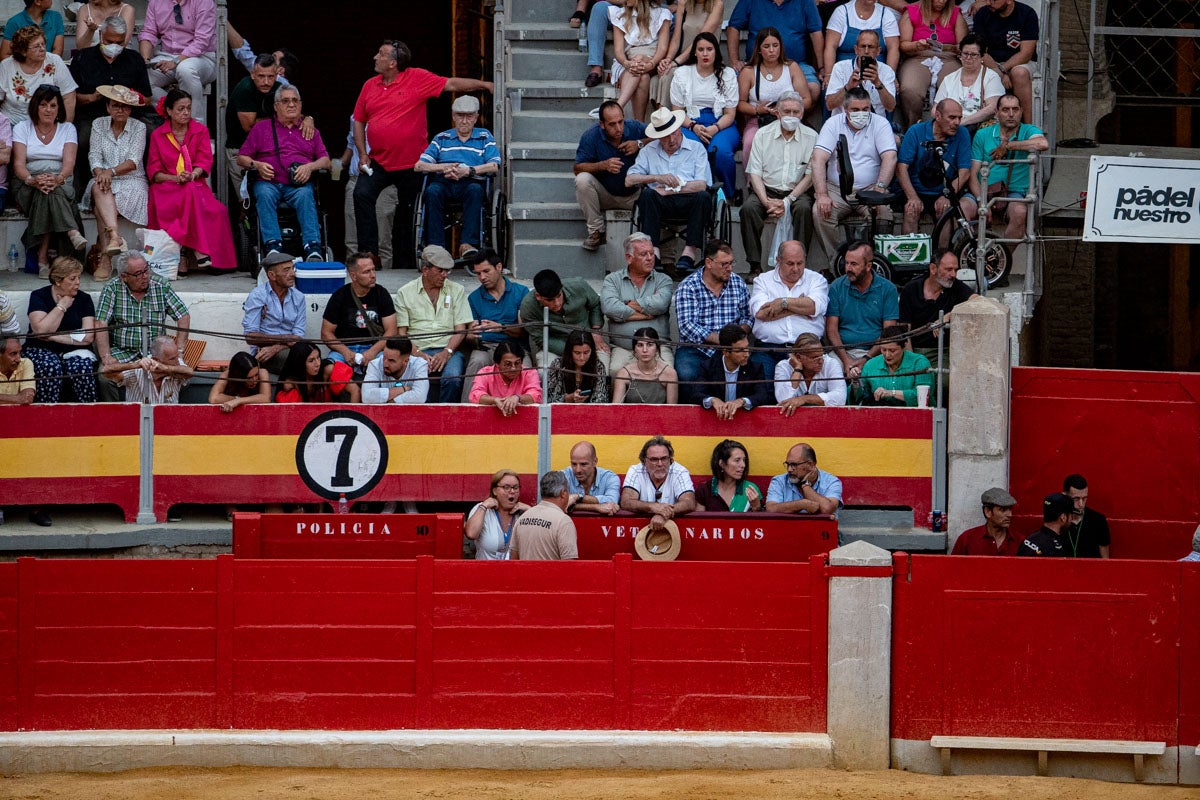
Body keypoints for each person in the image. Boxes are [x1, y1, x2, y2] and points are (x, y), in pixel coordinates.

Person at [351, 39, 493, 267]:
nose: (375, 57)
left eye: (381, 54)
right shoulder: (370, 85)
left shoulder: (416, 78)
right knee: (361, 194)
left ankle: (404, 264)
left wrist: (485, 85)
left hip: (412, 164)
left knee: (407, 214)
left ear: (393, 63)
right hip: (378, 160)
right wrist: (362, 153)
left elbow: (452, 84)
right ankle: (369, 253)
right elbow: (359, 121)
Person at [236, 84, 332, 262]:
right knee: (263, 193)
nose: (291, 105)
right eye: (286, 101)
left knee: (306, 194)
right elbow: (241, 158)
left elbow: (326, 161)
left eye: (295, 101)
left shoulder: (310, 130)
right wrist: (257, 164)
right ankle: (273, 247)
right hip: (269, 183)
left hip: (298, 185)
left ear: (301, 105)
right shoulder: (261, 128)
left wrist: (309, 167)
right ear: (276, 106)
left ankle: (313, 249)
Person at [146, 88, 236, 273]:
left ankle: (199, 258)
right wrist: (175, 178)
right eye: (180, 109)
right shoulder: (158, 135)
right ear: (169, 111)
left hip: (194, 183)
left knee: (219, 210)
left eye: (188, 108)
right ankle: (199, 252)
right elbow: (154, 171)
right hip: (166, 188)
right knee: (189, 191)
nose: (186, 112)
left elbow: (204, 160)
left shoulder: (200, 131)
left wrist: (192, 175)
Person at [810, 87, 897, 264]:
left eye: (865, 109)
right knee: (820, 212)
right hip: (838, 189)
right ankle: (839, 263)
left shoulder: (880, 123)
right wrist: (822, 195)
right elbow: (818, 158)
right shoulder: (833, 123)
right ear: (845, 109)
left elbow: (890, 156)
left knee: (883, 213)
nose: (861, 114)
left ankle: (875, 262)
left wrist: (879, 187)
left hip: (870, 188)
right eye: (855, 110)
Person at [69, 16, 152, 194]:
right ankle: (86, 188)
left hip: (129, 115)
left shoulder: (134, 59)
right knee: (83, 139)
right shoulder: (83, 58)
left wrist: (131, 98)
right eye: (109, 41)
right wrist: (93, 97)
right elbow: (70, 96)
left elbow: (147, 98)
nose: (114, 45)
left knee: (152, 133)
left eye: (119, 42)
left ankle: (148, 185)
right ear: (100, 35)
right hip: (92, 115)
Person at [626, 106, 712, 275]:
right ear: (658, 137)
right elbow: (629, 180)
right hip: (659, 202)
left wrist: (670, 190)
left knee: (703, 196)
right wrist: (656, 178)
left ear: (679, 129)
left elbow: (702, 184)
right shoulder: (649, 151)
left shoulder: (696, 149)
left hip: (689, 200)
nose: (671, 139)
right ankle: (654, 252)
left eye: (674, 133)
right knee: (647, 195)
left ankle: (689, 253)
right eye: (665, 137)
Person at [11, 85, 86, 278]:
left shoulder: (68, 128)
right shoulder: (22, 127)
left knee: (49, 193)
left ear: (59, 108)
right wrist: (32, 180)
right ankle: (72, 231)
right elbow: (19, 165)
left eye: (53, 105)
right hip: (27, 182)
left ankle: (42, 258)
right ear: (35, 107)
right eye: (43, 105)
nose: (48, 110)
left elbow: (69, 164)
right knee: (45, 191)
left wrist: (57, 179)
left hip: (60, 180)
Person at [94, 250, 190, 401]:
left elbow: (183, 315)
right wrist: (106, 356)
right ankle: (116, 416)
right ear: (124, 277)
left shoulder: (160, 285)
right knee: (105, 378)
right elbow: (101, 322)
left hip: (156, 352)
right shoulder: (112, 288)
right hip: (123, 351)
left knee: (183, 373)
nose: (145, 276)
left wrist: (179, 350)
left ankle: (168, 409)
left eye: (146, 270)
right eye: (138, 274)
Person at [741, 91, 817, 278]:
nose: (791, 116)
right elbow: (755, 173)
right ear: (777, 112)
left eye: (795, 112)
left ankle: (799, 265)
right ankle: (754, 265)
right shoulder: (762, 135)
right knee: (748, 209)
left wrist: (788, 200)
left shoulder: (812, 136)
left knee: (804, 210)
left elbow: (810, 176)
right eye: (787, 111)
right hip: (766, 190)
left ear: (801, 114)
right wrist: (766, 202)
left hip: (797, 191)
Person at [413, 94, 500, 258]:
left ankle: (467, 245)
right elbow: (419, 165)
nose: (464, 121)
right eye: (460, 116)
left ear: (476, 117)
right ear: (453, 116)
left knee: (475, 191)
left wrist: (467, 171)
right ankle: (436, 247)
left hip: (471, 181)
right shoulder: (442, 137)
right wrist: (444, 167)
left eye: (469, 116)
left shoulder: (484, 137)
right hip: (444, 181)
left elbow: (494, 165)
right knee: (432, 192)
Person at [82, 84, 148, 279]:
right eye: (115, 105)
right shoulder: (98, 124)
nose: (120, 110)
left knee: (99, 205)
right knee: (99, 186)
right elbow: (93, 155)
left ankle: (105, 257)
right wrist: (100, 172)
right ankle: (115, 238)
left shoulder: (139, 127)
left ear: (130, 109)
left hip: (132, 179)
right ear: (108, 107)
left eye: (125, 106)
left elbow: (133, 161)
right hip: (103, 177)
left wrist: (109, 172)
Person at [395, 245, 471, 403]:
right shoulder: (405, 292)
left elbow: (460, 329)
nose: (445, 275)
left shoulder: (456, 290)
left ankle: (445, 417)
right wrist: (418, 354)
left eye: (447, 271)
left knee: (453, 378)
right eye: (440, 270)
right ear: (425, 270)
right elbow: (402, 333)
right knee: (399, 376)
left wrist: (447, 352)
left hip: (448, 348)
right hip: (415, 349)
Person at [969, 92, 1048, 245]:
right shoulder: (983, 134)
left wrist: (1008, 146)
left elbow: (1043, 144)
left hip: (1014, 192)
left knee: (1020, 213)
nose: (1011, 114)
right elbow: (972, 173)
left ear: (1021, 111)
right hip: (983, 190)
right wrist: (981, 201)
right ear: (996, 113)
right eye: (1005, 110)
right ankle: (967, 255)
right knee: (963, 208)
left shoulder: (1027, 130)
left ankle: (1002, 263)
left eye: (1015, 109)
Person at [673, 239, 753, 384]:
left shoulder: (738, 283)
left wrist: (738, 336)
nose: (729, 268)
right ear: (709, 263)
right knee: (687, 374)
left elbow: (748, 316)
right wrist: (722, 339)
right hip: (696, 349)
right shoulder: (688, 286)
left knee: (751, 374)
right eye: (724, 264)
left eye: (731, 263)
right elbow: (686, 325)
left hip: (732, 349)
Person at [671, 31, 739, 197]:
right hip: (690, 123)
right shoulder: (682, 73)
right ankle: (694, 194)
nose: (705, 54)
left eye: (709, 49)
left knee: (721, 151)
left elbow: (730, 113)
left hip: (722, 124)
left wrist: (715, 128)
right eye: (701, 49)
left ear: (716, 51)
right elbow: (677, 110)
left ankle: (728, 195)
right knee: (691, 148)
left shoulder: (728, 74)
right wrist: (693, 126)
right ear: (695, 52)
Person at [574, 100, 647, 252]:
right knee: (582, 180)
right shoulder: (591, 136)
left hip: (635, 195)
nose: (619, 128)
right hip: (605, 194)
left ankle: (663, 255)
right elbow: (577, 168)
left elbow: (662, 135)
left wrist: (639, 143)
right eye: (612, 124)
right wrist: (602, 165)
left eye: (621, 122)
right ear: (602, 124)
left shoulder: (635, 127)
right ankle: (596, 231)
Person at [896, 98, 975, 236]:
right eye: (952, 118)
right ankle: (911, 256)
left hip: (943, 190)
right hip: (916, 189)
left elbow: (965, 172)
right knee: (911, 210)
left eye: (959, 118)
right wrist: (912, 197)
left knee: (946, 211)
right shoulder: (916, 131)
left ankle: (942, 255)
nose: (957, 122)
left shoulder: (962, 133)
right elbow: (901, 167)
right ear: (938, 116)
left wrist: (947, 195)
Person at [23, 256, 97, 403]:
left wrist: (52, 337)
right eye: (72, 278)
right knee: (49, 367)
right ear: (58, 281)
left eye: (78, 277)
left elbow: (87, 337)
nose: (78, 283)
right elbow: (40, 330)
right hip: (40, 349)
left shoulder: (84, 299)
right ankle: (46, 416)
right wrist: (61, 306)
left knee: (81, 368)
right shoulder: (39, 296)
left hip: (74, 350)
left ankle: (88, 416)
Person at [748, 239, 828, 374]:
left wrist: (782, 303)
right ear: (778, 261)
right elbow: (761, 313)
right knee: (762, 388)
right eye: (790, 263)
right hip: (769, 350)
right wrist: (800, 306)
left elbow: (814, 307)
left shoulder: (817, 279)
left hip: (809, 351)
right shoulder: (763, 280)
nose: (796, 269)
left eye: (800, 263)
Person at [736, 28, 813, 166]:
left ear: (780, 47)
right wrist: (758, 110)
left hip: (790, 117)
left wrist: (787, 109)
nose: (772, 50)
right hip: (760, 119)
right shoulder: (749, 71)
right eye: (766, 46)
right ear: (759, 49)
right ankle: (752, 183)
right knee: (749, 141)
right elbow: (740, 103)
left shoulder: (791, 67)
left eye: (775, 46)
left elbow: (807, 100)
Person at [825, 240, 899, 381]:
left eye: (854, 264)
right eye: (846, 263)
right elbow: (831, 330)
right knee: (828, 369)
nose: (848, 268)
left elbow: (888, 332)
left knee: (877, 373)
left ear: (868, 266)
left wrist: (867, 358)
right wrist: (846, 361)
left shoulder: (887, 289)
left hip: (876, 352)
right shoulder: (836, 287)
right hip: (843, 352)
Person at [601, 232, 674, 372]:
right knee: (615, 370)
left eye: (652, 253)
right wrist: (647, 313)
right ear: (629, 258)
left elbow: (660, 304)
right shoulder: (612, 280)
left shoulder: (664, 280)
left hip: (657, 347)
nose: (649, 258)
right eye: (643, 254)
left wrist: (626, 305)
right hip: (624, 348)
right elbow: (609, 308)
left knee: (668, 372)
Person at [463, 248, 529, 401]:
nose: (482, 277)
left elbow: (523, 332)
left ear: (498, 267)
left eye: (486, 271)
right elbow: (471, 338)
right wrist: (470, 336)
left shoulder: (520, 292)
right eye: (478, 273)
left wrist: (501, 328)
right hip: (487, 346)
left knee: (526, 366)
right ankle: (468, 410)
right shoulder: (474, 298)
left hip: (515, 347)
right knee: (476, 361)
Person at [138, 0, 218, 125]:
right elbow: (149, 32)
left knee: (185, 69)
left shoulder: (203, 2)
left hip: (202, 57)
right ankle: (174, 111)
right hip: (166, 55)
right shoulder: (156, 2)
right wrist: (145, 60)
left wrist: (176, 61)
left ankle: (195, 125)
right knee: (141, 77)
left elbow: (202, 41)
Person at [727, 0, 825, 98]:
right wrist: (734, 61)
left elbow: (815, 32)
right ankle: (755, 112)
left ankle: (790, 113)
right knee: (732, 87)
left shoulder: (805, 1)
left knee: (813, 88)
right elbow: (733, 27)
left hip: (796, 64)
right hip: (756, 63)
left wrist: (821, 67)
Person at [320, 251, 398, 373]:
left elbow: (392, 331)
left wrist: (373, 351)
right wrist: (345, 352)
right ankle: (351, 391)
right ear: (353, 276)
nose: (373, 275)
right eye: (367, 272)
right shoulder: (339, 296)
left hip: (375, 347)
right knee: (330, 369)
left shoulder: (381, 293)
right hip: (345, 348)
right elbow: (326, 333)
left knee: (390, 366)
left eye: (373, 270)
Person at [896, 0, 967, 128]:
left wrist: (952, 48)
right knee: (909, 89)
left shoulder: (955, 13)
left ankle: (950, 128)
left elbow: (964, 45)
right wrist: (916, 45)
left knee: (954, 88)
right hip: (917, 56)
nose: (941, 1)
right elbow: (903, 44)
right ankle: (913, 128)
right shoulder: (912, 11)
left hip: (948, 58)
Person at [899, 248, 976, 363]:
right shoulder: (911, 289)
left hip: (942, 352)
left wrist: (949, 316)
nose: (953, 274)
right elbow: (905, 332)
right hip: (914, 351)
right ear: (933, 268)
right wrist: (912, 362)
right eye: (949, 269)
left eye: (955, 270)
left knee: (945, 379)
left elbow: (978, 301)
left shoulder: (956, 287)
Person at [519, 268, 606, 368]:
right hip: (556, 347)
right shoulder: (528, 307)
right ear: (538, 296)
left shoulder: (579, 285)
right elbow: (541, 339)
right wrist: (572, 351)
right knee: (545, 372)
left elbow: (596, 304)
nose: (557, 303)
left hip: (589, 341)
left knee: (601, 369)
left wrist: (596, 331)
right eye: (550, 300)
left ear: (562, 288)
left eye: (559, 296)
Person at [340, 115, 396, 267]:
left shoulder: (393, 113)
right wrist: (337, 164)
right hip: (355, 179)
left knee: (382, 240)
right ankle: (354, 278)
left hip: (383, 181)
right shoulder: (354, 117)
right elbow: (351, 145)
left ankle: (384, 283)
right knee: (352, 238)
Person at [684, 323, 773, 415]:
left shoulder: (755, 368)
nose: (747, 354)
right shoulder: (708, 367)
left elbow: (763, 395)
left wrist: (742, 401)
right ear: (726, 352)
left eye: (747, 348)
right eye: (740, 350)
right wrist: (713, 400)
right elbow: (696, 394)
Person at [972, 0, 1038, 123]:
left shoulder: (1027, 14)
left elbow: (1026, 53)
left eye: (993, 0)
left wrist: (1003, 69)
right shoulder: (983, 14)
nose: (988, 2)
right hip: (991, 62)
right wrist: (999, 72)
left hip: (1021, 62)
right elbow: (980, 51)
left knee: (1019, 73)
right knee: (977, 70)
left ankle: (1028, 127)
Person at [241, 251, 306, 374]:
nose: (292, 274)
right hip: (263, 352)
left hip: (287, 348)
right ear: (272, 275)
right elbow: (250, 337)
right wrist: (286, 338)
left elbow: (298, 335)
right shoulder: (258, 296)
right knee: (301, 361)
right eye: (286, 270)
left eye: (293, 269)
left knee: (314, 358)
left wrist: (277, 347)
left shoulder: (299, 297)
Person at [653, 0, 726, 109]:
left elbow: (700, 39)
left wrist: (676, 62)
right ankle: (663, 120)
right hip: (683, 61)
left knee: (669, 76)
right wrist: (668, 60)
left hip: (705, 61)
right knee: (659, 77)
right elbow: (676, 38)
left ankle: (670, 119)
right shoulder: (683, 3)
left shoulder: (717, 4)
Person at [608, 0, 672, 122]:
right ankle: (639, 123)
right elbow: (619, 52)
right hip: (625, 62)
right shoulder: (619, 14)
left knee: (639, 60)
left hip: (653, 59)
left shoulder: (662, 14)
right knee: (643, 77)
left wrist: (650, 64)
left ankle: (617, 107)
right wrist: (628, 63)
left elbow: (663, 48)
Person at [0, 26, 76, 127]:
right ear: (23, 51)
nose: (42, 49)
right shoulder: (7, 65)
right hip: (12, 123)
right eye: (36, 46)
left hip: (47, 124)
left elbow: (69, 97)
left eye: (43, 44)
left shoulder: (54, 61)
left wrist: (63, 129)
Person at [224, 54, 281, 188]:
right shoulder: (245, 89)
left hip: (268, 150)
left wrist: (308, 119)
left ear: (276, 75)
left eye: (270, 77)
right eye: (261, 76)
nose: (266, 82)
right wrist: (280, 118)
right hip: (240, 151)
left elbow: (295, 114)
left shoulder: (279, 89)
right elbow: (249, 127)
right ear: (253, 74)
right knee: (246, 201)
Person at [620, 435, 698, 532]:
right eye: (654, 459)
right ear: (645, 461)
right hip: (640, 532)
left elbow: (689, 502)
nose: (660, 464)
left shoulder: (680, 471)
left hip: (673, 532)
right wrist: (653, 507)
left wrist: (663, 514)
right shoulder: (635, 470)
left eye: (664, 458)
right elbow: (626, 502)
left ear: (670, 460)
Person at [933, 34, 1003, 131]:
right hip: (951, 126)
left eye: (973, 54)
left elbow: (992, 108)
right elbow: (935, 108)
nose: (968, 58)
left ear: (982, 57)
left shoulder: (991, 77)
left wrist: (962, 122)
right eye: (965, 54)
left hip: (976, 126)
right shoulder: (949, 78)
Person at [101, 333, 193, 404]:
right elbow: (105, 371)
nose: (177, 361)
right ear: (156, 360)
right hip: (138, 422)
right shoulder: (138, 370)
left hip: (169, 422)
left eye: (177, 356)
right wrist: (135, 365)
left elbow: (190, 372)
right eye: (172, 359)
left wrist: (165, 368)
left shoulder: (177, 365)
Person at [825, 30, 897, 117]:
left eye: (871, 47)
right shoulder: (840, 68)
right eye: (863, 46)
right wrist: (848, 87)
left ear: (878, 51)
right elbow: (829, 105)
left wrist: (878, 83)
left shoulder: (887, 71)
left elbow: (891, 107)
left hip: (874, 124)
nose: (866, 51)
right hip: (844, 122)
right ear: (856, 49)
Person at [859, 322, 933, 405]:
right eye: (883, 350)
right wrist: (855, 382)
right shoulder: (871, 365)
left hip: (916, 415)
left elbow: (923, 396)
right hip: (881, 414)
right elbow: (860, 397)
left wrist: (892, 393)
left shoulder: (919, 363)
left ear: (904, 346)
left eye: (892, 350)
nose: (887, 355)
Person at [511, 471, 579, 561]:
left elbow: (513, 560)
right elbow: (570, 565)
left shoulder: (522, 518)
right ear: (563, 493)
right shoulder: (563, 521)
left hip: (525, 575)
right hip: (552, 575)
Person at [465, 469, 531, 560]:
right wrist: (484, 506)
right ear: (495, 491)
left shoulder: (523, 513)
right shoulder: (482, 509)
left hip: (514, 571)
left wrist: (529, 510)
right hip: (485, 571)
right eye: (506, 487)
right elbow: (471, 534)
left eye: (515, 487)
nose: (512, 491)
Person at [765, 442, 843, 516]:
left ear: (810, 465)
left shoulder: (831, 482)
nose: (789, 469)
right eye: (787, 464)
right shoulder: (779, 481)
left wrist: (805, 485)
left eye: (794, 465)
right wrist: (801, 504)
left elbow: (827, 509)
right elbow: (771, 509)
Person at [775, 332, 846, 411]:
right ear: (799, 357)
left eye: (821, 355)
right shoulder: (783, 366)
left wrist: (804, 399)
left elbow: (840, 398)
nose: (821, 361)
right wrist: (797, 369)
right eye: (815, 357)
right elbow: (782, 400)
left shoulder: (831, 363)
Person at [824, 0, 901, 72]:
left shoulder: (886, 14)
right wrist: (829, 75)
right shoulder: (841, 12)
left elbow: (893, 49)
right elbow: (830, 47)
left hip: (877, 74)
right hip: (843, 74)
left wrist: (890, 76)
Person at [468, 340, 542, 414]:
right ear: (497, 364)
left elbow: (536, 394)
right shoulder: (485, 373)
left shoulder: (529, 373)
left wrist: (517, 398)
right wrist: (494, 400)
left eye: (517, 363)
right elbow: (475, 394)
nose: (513, 368)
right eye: (508, 364)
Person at [274, 341, 359, 404]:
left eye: (318, 358)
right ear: (300, 363)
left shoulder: (328, 369)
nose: (318, 364)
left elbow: (355, 390)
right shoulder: (291, 383)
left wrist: (351, 419)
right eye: (311, 361)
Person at [612, 327, 679, 404]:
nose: (645, 350)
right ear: (634, 349)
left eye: (650, 345)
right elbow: (616, 408)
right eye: (640, 345)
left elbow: (672, 410)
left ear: (657, 348)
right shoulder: (624, 374)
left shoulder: (669, 374)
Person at [695, 438, 763, 512]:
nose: (743, 465)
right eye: (737, 460)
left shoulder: (750, 489)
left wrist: (756, 507)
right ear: (722, 464)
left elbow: (760, 522)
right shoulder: (705, 490)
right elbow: (699, 521)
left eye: (744, 460)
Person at [951, 487, 1021, 555]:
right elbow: (953, 566)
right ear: (988, 512)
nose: (1009, 514)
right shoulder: (967, 540)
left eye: (1010, 509)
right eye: (1002, 510)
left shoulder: (1019, 541)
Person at [362, 335, 430, 405]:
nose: (385, 364)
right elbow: (366, 397)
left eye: (391, 360)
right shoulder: (374, 364)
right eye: (384, 358)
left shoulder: (419, 365)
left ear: (406, 361)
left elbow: (419, 397)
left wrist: (391, 402)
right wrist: (402, 389)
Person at [547, 329, 610, 404]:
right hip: (562, 411)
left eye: (586, 352)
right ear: (570, 352)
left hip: (589, 412)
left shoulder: (598, 366)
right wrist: (568, 398)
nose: (582, 358)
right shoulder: (557, 365)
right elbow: (549, 399)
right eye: (577, 353)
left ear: (592, 350)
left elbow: (601, 399)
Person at [562, 441, 621, 515]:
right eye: (574, 464)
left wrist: (577, 497)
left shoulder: (610, 478)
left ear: (595, 462)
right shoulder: (565, 475)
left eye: (583, 464)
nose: (578, 470)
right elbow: (558, 504)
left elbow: (612, 501)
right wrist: (595, 507)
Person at [1062, 473, 1111, 559]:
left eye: (1084, 498)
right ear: (1065, 496)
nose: (1081, 504)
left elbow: (1105, 559)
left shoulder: (1098, 520)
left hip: (1091, 570)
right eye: (1076, 499)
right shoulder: (1058, 519)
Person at [1018, 492, 1071, 558]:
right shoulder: (1056, 551)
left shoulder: (1029, 539)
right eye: (1071, 515)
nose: (1072, 519)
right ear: (1063, 517)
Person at [0, 334, 35, 405]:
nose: (18, 359)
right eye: (13, 353)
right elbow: (23, 399)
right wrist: (19, 398)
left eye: (20, 352)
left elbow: (27, 398)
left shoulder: (25, 363)